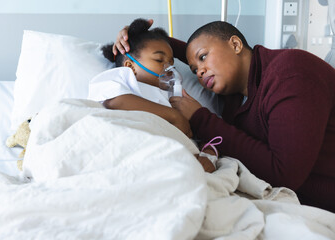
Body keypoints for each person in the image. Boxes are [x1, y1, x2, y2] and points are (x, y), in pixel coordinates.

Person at [113, 20, 335, 213]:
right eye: (193, 70)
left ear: (235, 44)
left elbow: (283, 173)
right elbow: (190, 51)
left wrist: (201, 118)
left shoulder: (290, 73)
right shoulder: (235, 100)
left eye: (203, 58)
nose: (199, 72)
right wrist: (137, 40)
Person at [88, 18, 217, 173]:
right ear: (130, 66)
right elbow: (116, 102)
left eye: (171, 62)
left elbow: (200, 134)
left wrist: (209, 154)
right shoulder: (121, 78)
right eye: (159, 60)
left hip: (166, 158)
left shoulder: (172, 97)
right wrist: (174, 116)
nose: (168, 68)